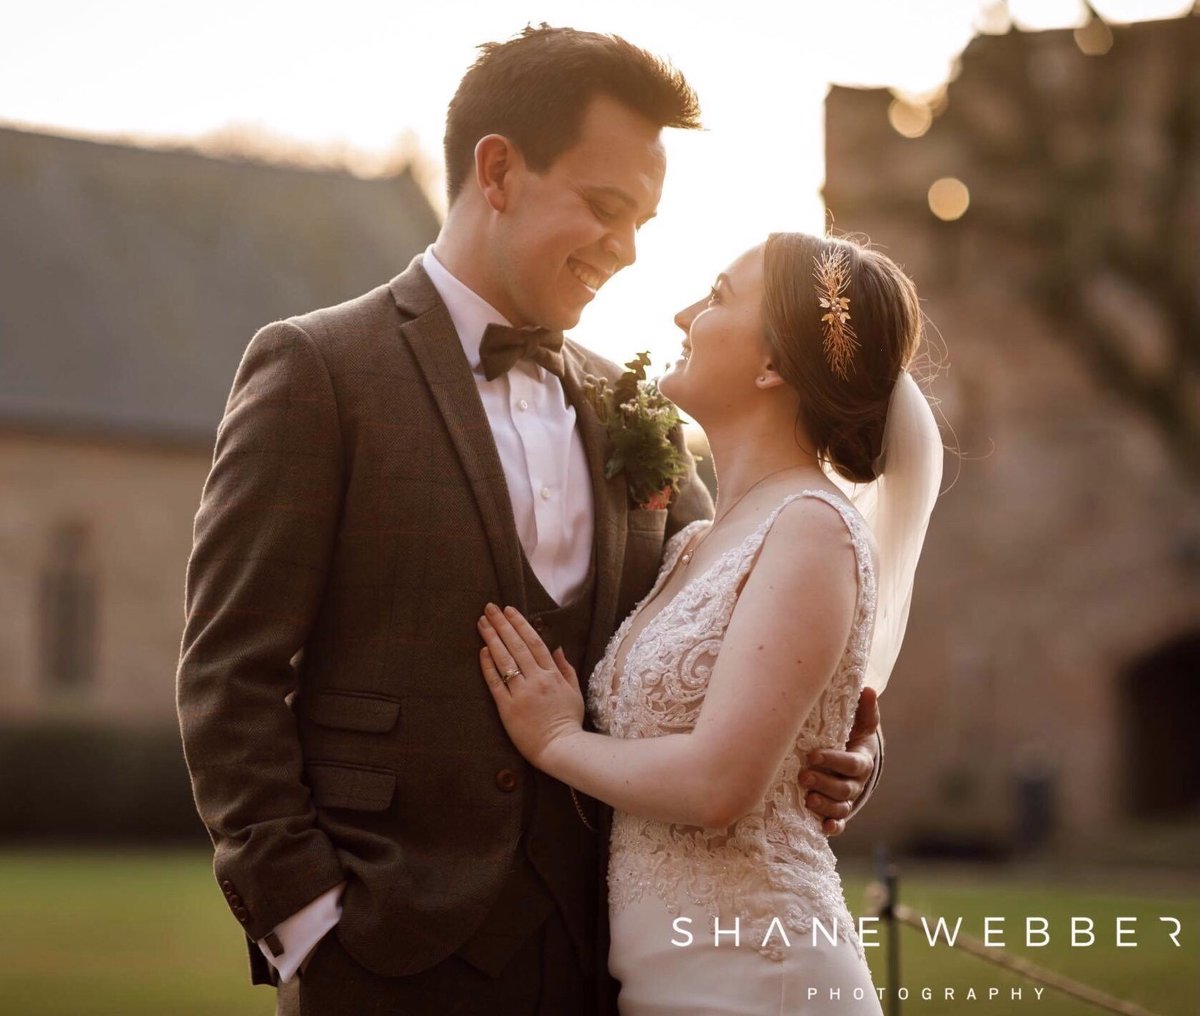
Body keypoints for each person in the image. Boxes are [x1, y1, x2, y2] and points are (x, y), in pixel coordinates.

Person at [176, 27, 883, 1016]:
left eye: (643, 219)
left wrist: (836, 751)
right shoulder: (317, 371)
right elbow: (229, 673)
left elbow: (739, 614)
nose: (630, 249)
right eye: (605, 208)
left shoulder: (636, 411)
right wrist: (307, 923)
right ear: (499, 170)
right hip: (381, 955)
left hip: (609, 957)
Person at [478, 231, 942, 1014]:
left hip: (763, 977)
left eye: (719, 297)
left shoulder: (812, 529)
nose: (684, 313)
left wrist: (556, 742)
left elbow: (722, 783)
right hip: (667, 977)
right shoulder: (696, 539)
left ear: (773, 366)